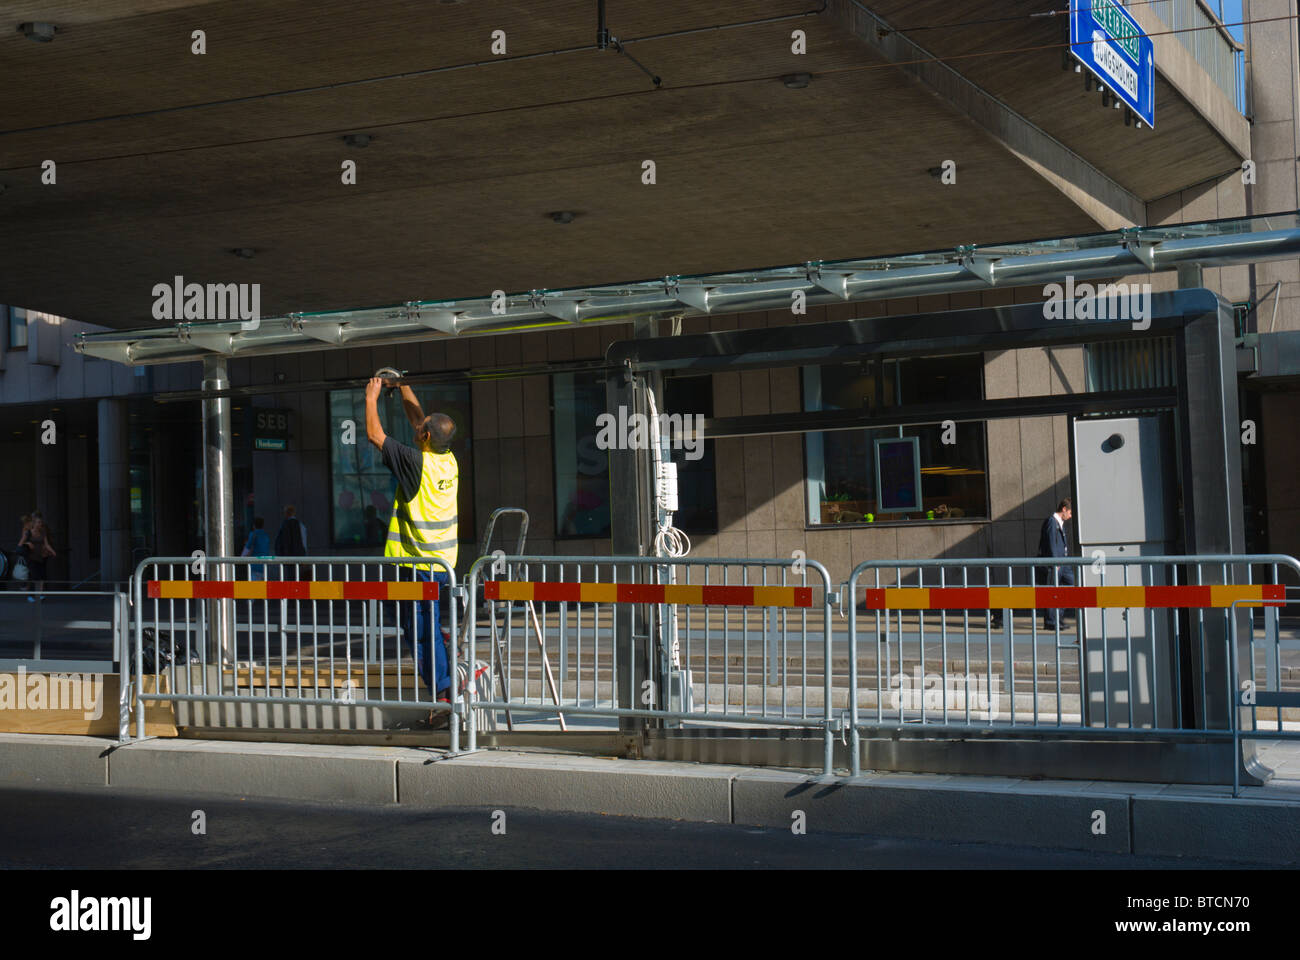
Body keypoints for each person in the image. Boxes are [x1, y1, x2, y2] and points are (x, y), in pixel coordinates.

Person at [365, 375, 458, 724]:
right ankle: (444, 683)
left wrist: (372, 397)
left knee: (419, 630)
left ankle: (444, 695)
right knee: (425, 625)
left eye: (422, 428)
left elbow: (376, 435)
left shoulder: (416, 464)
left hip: (419, 564)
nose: (416, 429)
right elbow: (419, 420)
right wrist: (402, 385)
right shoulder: (446, 460)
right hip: (442, 564)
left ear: (426, 437)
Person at [1036, 497, 1074, 630]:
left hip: (1064, 562)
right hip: (1055, 563)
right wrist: (1054, 561)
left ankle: (1058, 617)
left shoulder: (1060, 523)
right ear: (1064, 509)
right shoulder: (1052, 522)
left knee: (1071, 585)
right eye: (1069, 513)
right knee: (1053, 590)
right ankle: (1051, 621)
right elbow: (1051, 542)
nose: (1070, 516)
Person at [21, 511, 55, 594]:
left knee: (41, 573)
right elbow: (23, 540)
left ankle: (39, 592)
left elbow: (48, 538)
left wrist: (49, 549)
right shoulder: (28, 527)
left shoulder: (44, 528)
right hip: (32, 554)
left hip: (42, 553)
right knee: (33, 573)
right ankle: (32, 591)